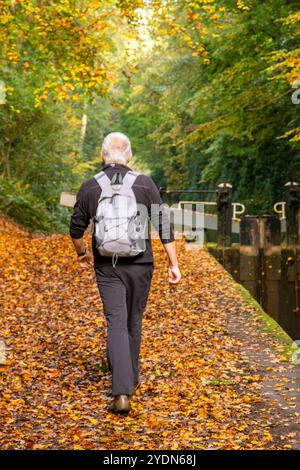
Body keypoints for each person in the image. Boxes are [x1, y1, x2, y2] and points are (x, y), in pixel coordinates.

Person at [69, 132, 181, 413]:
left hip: (107, 265)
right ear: (129, 155)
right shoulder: (144, 183)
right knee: (134, 318)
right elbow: (163, 225)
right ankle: (130, 377)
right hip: (141, 263)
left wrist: (83, 253)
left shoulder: (91, 186)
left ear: (103, 155)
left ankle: (121, 392)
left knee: (115, 321)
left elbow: (75, 229)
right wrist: (174, 264)